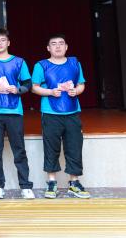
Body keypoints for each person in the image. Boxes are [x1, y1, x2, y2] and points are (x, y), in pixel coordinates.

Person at [0, 28, 35, 200]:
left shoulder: (19, 62)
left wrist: (17, 89)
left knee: (19, 150)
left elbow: (28, 83)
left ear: (8, 42)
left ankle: (25, 186)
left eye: (3, 40)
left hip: (14, 111)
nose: (0, 43)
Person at [31, 33, 91, 199]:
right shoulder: (41, 65)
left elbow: (81, 84)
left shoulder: (75, 63)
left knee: (74, 147)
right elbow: (34, 87)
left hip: (72, 112)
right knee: (51, 147)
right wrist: (50, 92)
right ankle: (51, 182)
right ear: (48, 48)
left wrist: (76, 91)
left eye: (61, 43)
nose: (58, 46)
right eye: (54, 44)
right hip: (50, 113)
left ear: (66, 47)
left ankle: (74, 182)